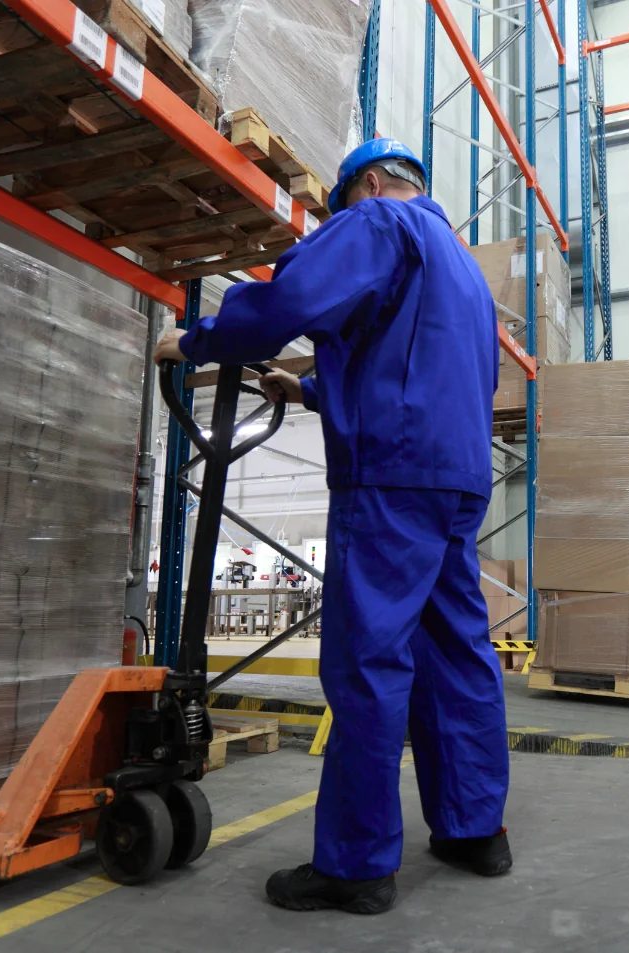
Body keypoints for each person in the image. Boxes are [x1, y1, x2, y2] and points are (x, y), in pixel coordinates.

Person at [152, 138, 510, 914]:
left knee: (368, 664)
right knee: (456, 654)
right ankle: (474, 830)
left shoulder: (379, 221)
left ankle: (355, 864)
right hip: (455, 479)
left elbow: (289, 301)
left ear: (372, 184)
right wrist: (311, 390)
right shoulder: (462, 267)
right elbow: (409, 365)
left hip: (390, 478)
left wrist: (197, 341)